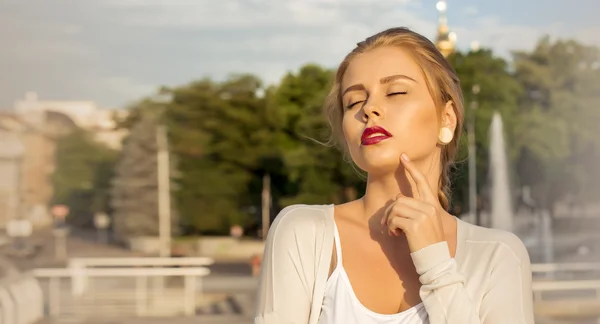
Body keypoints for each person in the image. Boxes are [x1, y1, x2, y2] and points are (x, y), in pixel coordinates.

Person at [254, 27, 534, 324]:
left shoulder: (499, 256)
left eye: (396, 92)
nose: (370, 109)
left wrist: (436, 265)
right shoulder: (303, 233)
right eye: (354, 102)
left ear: (446, 119)